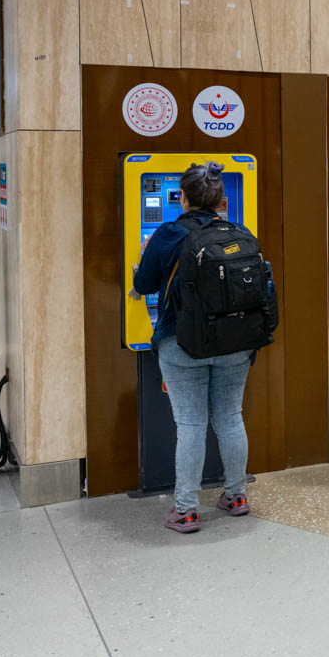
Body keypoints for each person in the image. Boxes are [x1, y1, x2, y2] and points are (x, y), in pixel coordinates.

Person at [132, 162, 255, 534]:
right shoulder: (238, 231)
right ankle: (236, 496)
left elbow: (145, 284)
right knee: (231, 417)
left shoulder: (169, 233)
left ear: (183, 197)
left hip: (182, 343)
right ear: (221, 199)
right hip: (235, 341)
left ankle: (186, 510)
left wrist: (146, 253)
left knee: (190, 424)